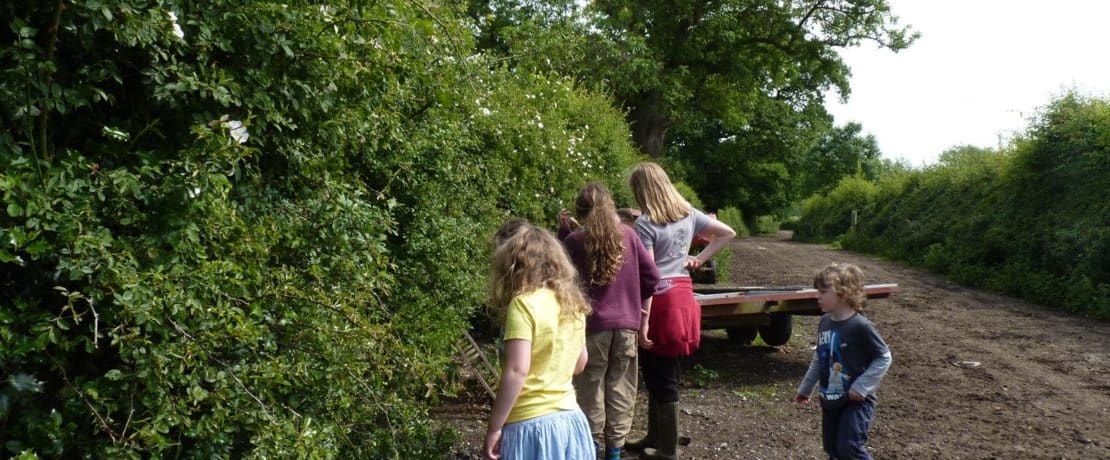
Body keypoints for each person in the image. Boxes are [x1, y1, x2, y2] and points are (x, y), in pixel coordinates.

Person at [625, 162, 736, 460]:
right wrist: (699, 259)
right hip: (684, 297)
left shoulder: (646, 224)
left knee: (661, 376)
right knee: (661, 371)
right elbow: (727, 233)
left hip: (660, 303)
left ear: (642, 190)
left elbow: (648, 277)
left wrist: (643, 322)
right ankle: (655, 436)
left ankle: (668, 450)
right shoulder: (688, 214)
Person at [558, 183, 660, 460]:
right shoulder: (628, 235)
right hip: (627, 326)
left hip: (591, 329)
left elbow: (562, 279)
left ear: (580, 211)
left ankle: (590, 448)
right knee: (622, 388)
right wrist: (636, 305)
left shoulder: (574, 242)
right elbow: (652, 279)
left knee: (590, 389)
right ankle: (614, 451)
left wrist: (564, 231)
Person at [483, 224, 595, 460]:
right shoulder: (572, 303)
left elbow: (517, 369)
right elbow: (580, 363)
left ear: (512, 264)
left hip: (530, 425)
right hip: (571, 421)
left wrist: (494, 427)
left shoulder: (523, 304)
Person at [794, 263, 892, 460]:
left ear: (843, 292)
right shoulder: (824, 322)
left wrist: (862, 386)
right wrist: (806, 388)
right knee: (833, 449)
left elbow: (884, 357)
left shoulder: (860, 326)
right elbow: (819, 356)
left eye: (823, 291)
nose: (818, 296)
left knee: (849, 447)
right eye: (817, 291)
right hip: (830, 398)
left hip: (855, 399)